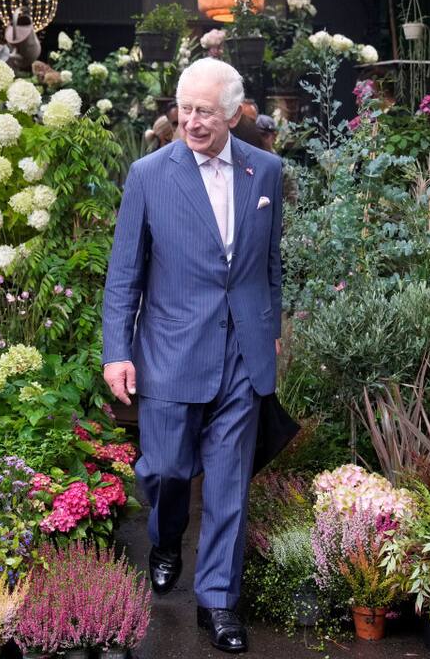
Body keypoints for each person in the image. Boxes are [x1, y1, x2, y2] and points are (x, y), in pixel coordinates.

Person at [102, 57, 284, 654]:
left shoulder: (267, 172)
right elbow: (124, 273)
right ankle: (163, 537)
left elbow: (270, 265)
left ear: (234, 113)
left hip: (242, 353)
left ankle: (218, 602)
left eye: (206, 110)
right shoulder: (150, 174)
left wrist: (270, 325)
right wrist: (117, 352)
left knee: (229, 481)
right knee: (166, 470)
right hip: (171, 350)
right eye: (185, 108)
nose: (193, 120)